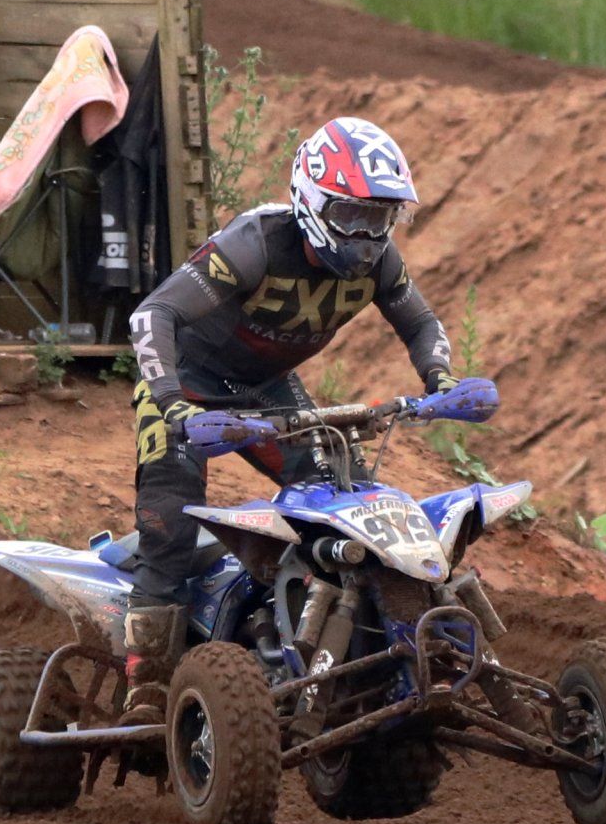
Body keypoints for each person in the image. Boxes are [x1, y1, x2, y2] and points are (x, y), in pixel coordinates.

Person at [122, 116, 456, 702]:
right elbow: (153, 316)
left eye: (380, 218)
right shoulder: (255, 244)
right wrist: (172, 405)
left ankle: (345, 647)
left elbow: (421, 322)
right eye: (353, 215)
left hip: (268, 388)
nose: (366, 235)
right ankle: (146, 679)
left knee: (349, 506)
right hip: (186, 389)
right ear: (311, 202)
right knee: (170, 523)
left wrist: (441, 379)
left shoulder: (381, 262)